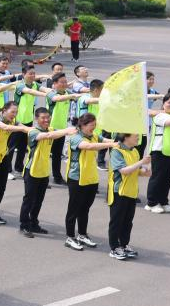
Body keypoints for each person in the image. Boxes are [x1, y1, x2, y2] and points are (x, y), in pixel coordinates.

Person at [18, 105, 76, 237]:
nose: (46, 120)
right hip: (32, 171)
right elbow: (48, 135)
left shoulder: (51, 129)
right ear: (36, 119)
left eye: (48, 117)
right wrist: (67, 130)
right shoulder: (33, 132)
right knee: (29, 200)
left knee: (38, 200)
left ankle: (34, 223)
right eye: (43, 118)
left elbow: (54, 133)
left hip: (44, 171)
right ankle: (24, 225)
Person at [64, 114, 117, 251]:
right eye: (91, 125)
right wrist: (111, 144)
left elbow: (106, 139)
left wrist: (120, 141)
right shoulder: (75, 137)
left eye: (95, 125)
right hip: (77, 178)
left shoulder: (94, 135)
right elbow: (88, 146)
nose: (94, 127)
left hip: (91, 178)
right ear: (82, 125)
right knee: (73, 209)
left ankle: (82, 234)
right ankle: (70, 237)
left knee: (85, 209)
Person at [0, 99, 31, 226]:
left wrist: (38, 130)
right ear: (4, 110)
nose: (14, 114)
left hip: (2, 155)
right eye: (12, 112)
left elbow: (26, 128)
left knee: (2, 186)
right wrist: (22, 129)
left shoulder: (13, 121)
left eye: (16, 112)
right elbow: (5, 127)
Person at [106, 133, 149, 259]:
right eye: (135, 136)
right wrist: (141, 162)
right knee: (117, 221)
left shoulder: (134, 151)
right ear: (126, 137)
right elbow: (124, 171)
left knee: (127, 221)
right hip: (119, 191)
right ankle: (114, 248)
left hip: (132, 191)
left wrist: (145, 172)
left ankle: (124, 244)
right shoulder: (116, 152)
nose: (138, 138)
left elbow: (135, 170)